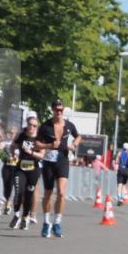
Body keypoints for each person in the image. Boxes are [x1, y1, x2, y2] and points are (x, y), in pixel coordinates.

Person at [35, 98, 81, 238]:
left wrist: (74, 144)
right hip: (49, 161)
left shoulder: (69, 125)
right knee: (48, 193)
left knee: (61, 192)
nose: (59, 112)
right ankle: (46, 222)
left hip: (62, 160)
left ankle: (57, 222)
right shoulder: (45, 126)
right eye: (56, 109)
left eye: (61, 109)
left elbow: (78, 136)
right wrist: (49, 146)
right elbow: (37, 144)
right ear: (52, 110)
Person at [9, 115, 46, 230]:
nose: (32, 127)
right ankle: (16, 215)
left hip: (33, 170)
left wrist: (31, 152)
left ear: (37, 127)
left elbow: (42, 155)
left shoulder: (40, 138)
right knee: (18, 191)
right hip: (20, 168)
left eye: (34, 125)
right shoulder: (21, 135)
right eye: (30, 124)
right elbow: (12, 146)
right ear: (27, 124)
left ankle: (25, 218)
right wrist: (14, 153)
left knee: (29, 195)